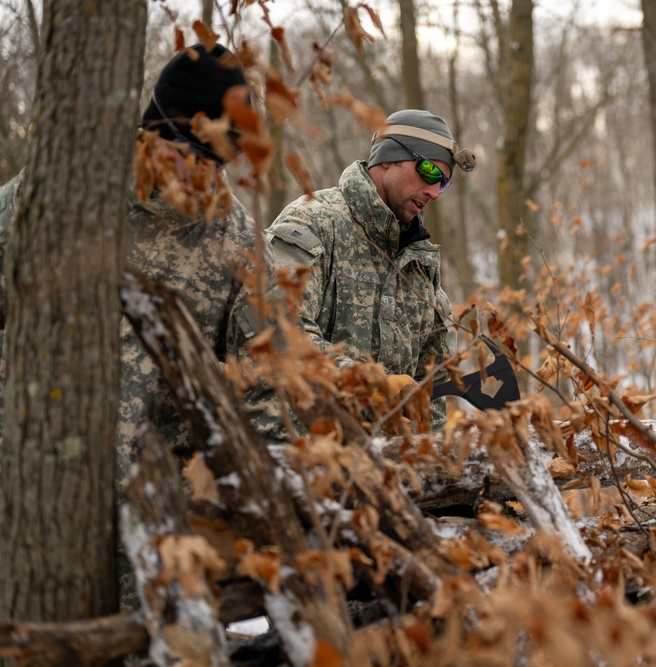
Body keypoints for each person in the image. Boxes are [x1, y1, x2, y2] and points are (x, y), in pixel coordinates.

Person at [0, 43, 259, 608]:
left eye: (221, 161)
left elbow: (258, 380)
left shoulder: (234, 236)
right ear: (157, 133)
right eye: (197, 154)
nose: (208, 175)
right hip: (34, 511)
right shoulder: (59, 192)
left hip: (152, 535)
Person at [235, 109, 471, 436]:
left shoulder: (420, 261)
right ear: (388, 158)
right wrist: (369, 385)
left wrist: (431, 461)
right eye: (429, 172)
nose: (434, 191)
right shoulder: (315, 222)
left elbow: (431, 388)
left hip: (381, 472)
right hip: (297, 457)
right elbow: (276, 333)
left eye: (443, 183)